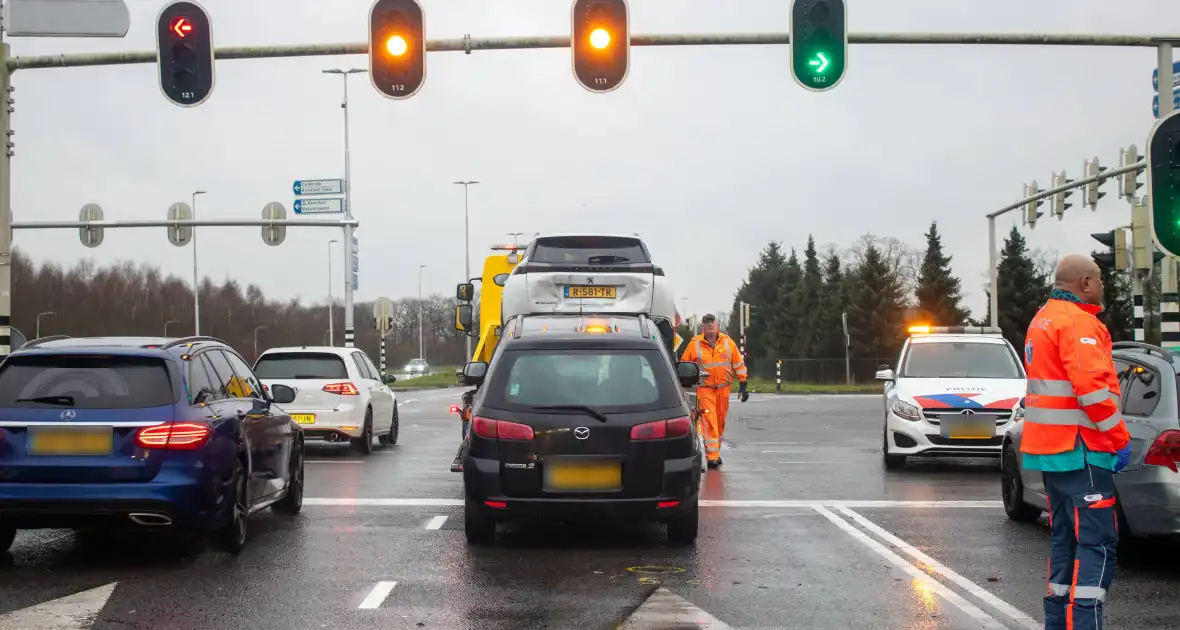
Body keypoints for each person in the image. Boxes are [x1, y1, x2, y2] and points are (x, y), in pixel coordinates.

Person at [1021, 254, 1132, 630]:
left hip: (1051, 452)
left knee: (1065, 541)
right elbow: (1092, 391)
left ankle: (1058, 621)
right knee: (1098, 543)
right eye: (1099, 279)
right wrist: (1119, 439)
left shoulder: (1043, 319)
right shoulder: (1078, 322)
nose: (1102, 286)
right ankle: (1085, 625)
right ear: (1085, 283)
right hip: (1082, 449)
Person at [680, 314, 747, 468]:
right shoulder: (695, 344)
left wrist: (743, 383)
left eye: (712, 322)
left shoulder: (728, 342)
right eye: (707, 323)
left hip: (723, 389)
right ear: (702, 327)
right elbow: (684, 363)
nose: (710, 325)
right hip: (705, 388)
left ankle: (715, 451)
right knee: (709, 420)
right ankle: (712, 457)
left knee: (720, 421)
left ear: (717, 326)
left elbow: (738, 363)